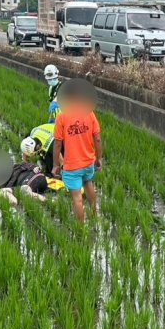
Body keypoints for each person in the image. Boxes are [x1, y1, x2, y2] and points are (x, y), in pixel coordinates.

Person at [52, 79, 103, 223]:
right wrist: (99, 158)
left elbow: (57, 144)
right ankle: (94, 215)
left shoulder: (62, 116)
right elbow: (97, 138)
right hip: (88, 163)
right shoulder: (89, 112)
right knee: (89, 185)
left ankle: (81, 230)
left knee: (77, 199)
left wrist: (56, 165)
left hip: (72, 165)